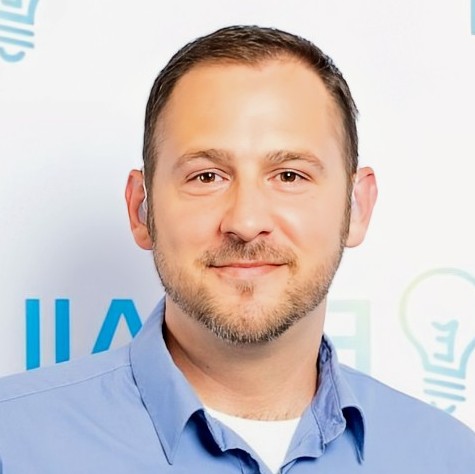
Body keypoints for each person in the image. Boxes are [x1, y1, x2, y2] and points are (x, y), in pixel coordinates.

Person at [0, 25, 473, 474]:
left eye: (289, 175)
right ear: (141, 209)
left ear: (357, 207)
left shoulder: (451, 458)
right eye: (207, 176)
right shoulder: (13, 442)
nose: (246, 223)